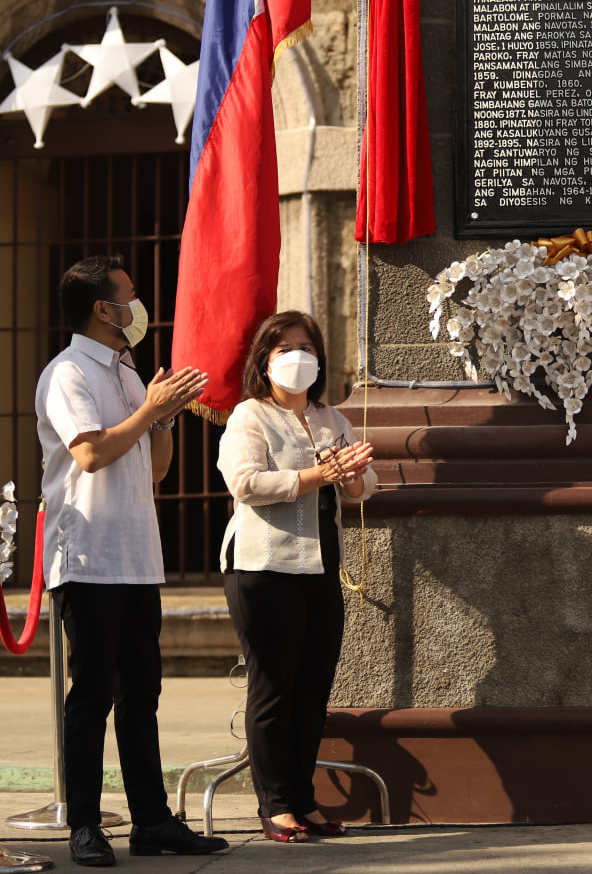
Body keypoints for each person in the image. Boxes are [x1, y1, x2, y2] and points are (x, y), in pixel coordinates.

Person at [35, 254, 229, 866]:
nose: (137, 306)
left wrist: (162, 418)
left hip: (137, 556)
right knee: (93, 692)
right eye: (129, 296)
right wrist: (149, 410)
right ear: (103, 308)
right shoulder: (68, 372)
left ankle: (151, 820)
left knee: (142, 691)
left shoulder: (127, 372)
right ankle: (85, 823)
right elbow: (90, 455)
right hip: (88, 556)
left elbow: (157, 470)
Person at [217, 311, 377, 843]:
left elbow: (364, 488)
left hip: (321, 567)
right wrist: (316, 475)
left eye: (305, 347)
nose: (297, 356)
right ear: (264, 361)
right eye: (284, 348)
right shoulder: (250, 415)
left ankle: (303, 800)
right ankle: (276, 806)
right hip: (263, 567)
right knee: (274, 688)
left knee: (312, 689)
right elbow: (245, 483)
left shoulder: (333, 419)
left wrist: (351, 476)